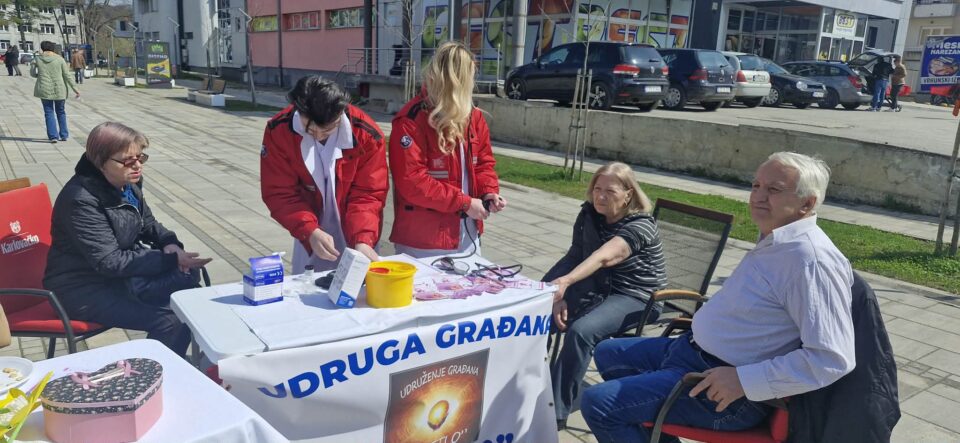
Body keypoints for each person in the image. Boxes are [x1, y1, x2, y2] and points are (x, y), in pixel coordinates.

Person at [580, 152, 856, 443]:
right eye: (756, 186)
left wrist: (743, 381)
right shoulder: (776, 240)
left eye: (774, 189)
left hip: (723, 389)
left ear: (807, 203)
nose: (758, 196)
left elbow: (831, 358)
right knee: (608, 353)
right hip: (691, 351)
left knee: (600, 404)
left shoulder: (811, 261)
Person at [43, 122, 212, 355]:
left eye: (140, 158)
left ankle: (172, 366)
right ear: (100, 161)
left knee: (190, 296)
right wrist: (171, 261)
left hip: (118, 279)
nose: (138, 166)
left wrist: (170, 244)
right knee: (172, 319)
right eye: (128, 161)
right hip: (82, 289)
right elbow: (109, 261)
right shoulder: (80, 200)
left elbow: (147, 223)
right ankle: (152, 373)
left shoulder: (126, 184)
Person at [544, 162, 666, 430]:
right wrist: (552, 292)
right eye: (597, 188)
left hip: (637, 297)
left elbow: (603, 257)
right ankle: (529, 386)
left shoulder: (640, 225)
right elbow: (575, 256)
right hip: (600, 287)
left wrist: (567, 282)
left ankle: (554, 412)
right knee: (537, 314)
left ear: (628, 194)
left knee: (581, 331)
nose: (600, 196)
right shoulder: (590, 215)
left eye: (610, 191)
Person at [389, 41, 506, 258]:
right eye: (470, 78)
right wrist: (464, 203)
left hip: (467, 235)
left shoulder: (473, 117)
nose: (473, 84)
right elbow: (413, 182)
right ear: (457, 81)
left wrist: (488, 192)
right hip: (423, 241)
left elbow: (483, 164)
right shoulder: (411, 120)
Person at [260, 76, 388, 273]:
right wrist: (308, 230)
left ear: (341, 113)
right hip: (308, 227)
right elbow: (280, 192)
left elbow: (368, 193)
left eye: (327, 130)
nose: (319, 136)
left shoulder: (366, 134)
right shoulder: (279, 130)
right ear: (298, 110)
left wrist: (363, 238)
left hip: (357, 229)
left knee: (360, 283)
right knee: (307, 285)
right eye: (310, 130)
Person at [31, 41, 79, 143]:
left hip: (44, 89)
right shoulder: (60, 59)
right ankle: (64, 135)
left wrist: (37, 74)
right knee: (61, 112)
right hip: (59, 89)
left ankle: (53, 136)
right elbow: (67, 75)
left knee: (49, 112)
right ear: (53, 48)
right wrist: (75, 89)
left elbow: (32, 73)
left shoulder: (37, 59)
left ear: (42, 48)